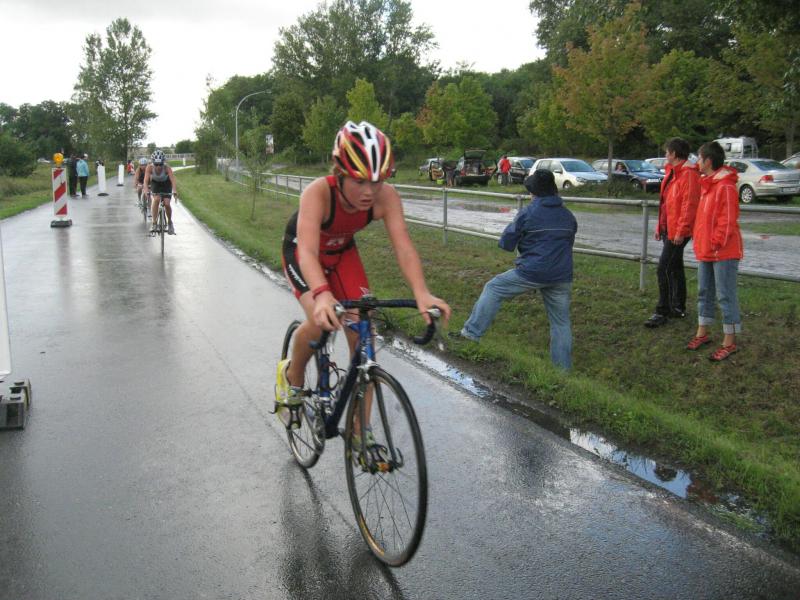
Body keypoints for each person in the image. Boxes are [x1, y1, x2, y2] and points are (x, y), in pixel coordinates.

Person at [275, 121, 451, 422]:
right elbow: (307, 253)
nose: (369, 192)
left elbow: (403, 247)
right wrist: (322, 295)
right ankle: (293, 376)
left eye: (377, 181)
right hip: (303, 252)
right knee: (319, 321)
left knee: (364, 340)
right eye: (359, 181)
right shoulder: (318, 193)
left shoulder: (386, 197)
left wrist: (421, 292)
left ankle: (360, 435)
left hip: (343, 253)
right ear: (339, 173)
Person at [454, 169, 577, 370]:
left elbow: (506, 243)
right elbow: (568, 242)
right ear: (554, 190)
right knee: (560, 322)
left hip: (532, 272)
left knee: (494, 288)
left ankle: (470, 334)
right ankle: (562, 371)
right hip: (562, 275)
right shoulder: (567, 215)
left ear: (533, 192)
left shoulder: (528, 212)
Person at [687, 141, 743, 361]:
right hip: (707, 251)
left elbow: (727, 220)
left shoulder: (725, 186)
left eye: (700, 158)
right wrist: (702, 242)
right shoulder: (707, 184)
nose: (697, 162)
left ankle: (730, 342)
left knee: (725, 296)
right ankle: (702, 332)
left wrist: (715, 242)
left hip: (724, 253)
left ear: (708, 161)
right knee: (704, 292)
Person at [645, 137, 701, 328]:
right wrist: (660, 227)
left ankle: (663, 310)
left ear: (674, 154)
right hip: (669, 227)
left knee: (664, 268)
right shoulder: (672, 172)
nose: (665, 155)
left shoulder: (688, 174)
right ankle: (678, 306)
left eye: (667, 152)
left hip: (678, 230)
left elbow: (689, 205)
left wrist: (681, 231)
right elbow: (666, 203)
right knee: (675, 267)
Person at [143, 150, 177, 234]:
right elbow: (146, 181)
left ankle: (170, 222)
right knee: (156, 199)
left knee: (167, 203)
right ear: (153, 163)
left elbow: (172, 180)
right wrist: (146, 190)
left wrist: (175, 191)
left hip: (166, 184)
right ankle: (154, 223)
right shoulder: (149, 167)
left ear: (163, 163)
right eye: (156, 164)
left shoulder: (167, 168)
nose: (158, 167)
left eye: (160, 164)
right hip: (156, 184)